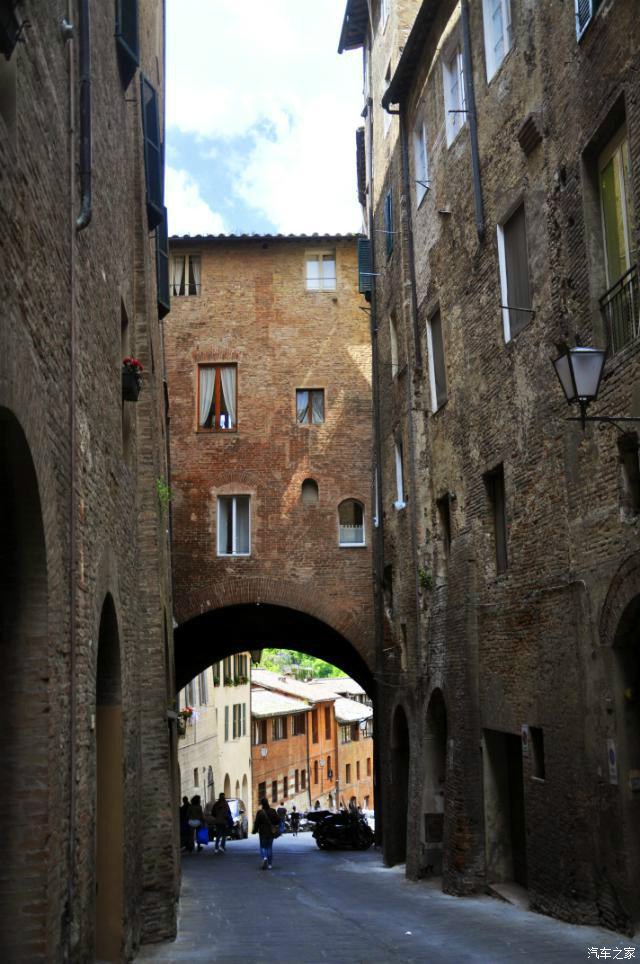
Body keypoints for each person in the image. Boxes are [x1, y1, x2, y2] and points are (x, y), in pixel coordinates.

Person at [252, 796, 279, 869]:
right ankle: (270, 865)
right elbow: (278, 820)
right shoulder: (273, 811)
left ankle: (264, 857)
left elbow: (256, 823)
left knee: (263, 846)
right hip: (271, 832)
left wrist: (254, 830)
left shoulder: (260, 812)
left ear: (262, 804)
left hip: (262, 832)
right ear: (267, 803)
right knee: (269, 847)